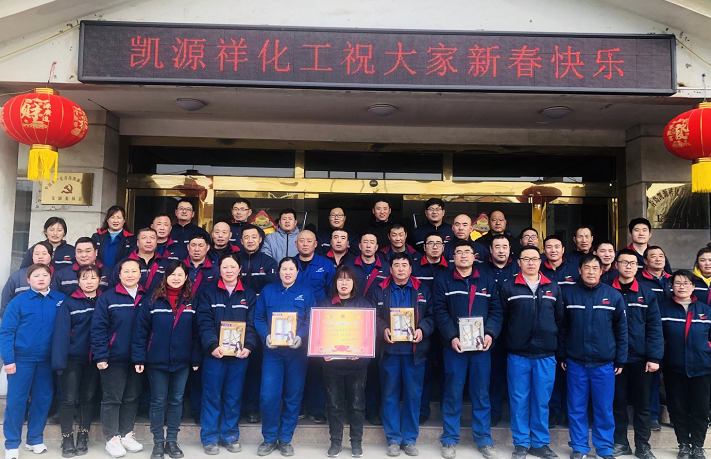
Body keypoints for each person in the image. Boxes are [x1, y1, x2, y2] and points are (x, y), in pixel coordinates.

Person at [434, 239, 503, 459]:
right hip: (455, 347)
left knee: (481, 394)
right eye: (459, 252)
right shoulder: (443, 280)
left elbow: (497, 311)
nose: (463, 255)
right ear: (452, 257)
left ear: (475, 256)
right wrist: (452, 337)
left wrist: (490, 333)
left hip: (481, 348)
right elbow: (440, 312)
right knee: (452, 393)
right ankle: (449, 440)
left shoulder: (487, 280)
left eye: (467, 252)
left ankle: (484, 440)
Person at [559, 254, 627, 459]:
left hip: (604, 363)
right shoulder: (567, 294)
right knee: (576, 407)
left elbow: (621, 330)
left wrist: (620, 359)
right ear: (579, 270)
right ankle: (579, 447)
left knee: (604, 408)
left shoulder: (613, 295)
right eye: (587, 268)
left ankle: (604, 448)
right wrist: (562, 355)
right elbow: (562, 328)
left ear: (601, 271)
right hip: (576, 362)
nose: (591, 272)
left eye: (595, 268)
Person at [499, 245, 563, 459]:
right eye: (526, 259)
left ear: (540, 261)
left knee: (542, 401)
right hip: (518, 355)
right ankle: (521, 443)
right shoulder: (508, 287)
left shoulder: (553, 287)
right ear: (519, 262)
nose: (530, 262)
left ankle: (540, 443)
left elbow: (559, 319)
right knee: (519, 401)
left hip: (545, 355)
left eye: (534, 259)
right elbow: (504, 318)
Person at [132, 260, 201, 459]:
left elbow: (197, 333)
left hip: (182, 361)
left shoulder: (192, 301)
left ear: (186, 277)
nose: (176, 278)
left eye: (180, 275)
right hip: (156, 360)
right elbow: (140, 331)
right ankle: (158, 442)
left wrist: (195, 359)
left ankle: (172, 440)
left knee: (177, 400)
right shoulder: (153, 300)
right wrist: (139, 358)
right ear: (166, 276)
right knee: (158, 401)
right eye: (172, 274)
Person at [370, 252, 435, 457]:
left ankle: (409, 439)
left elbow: (432, 316)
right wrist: (383, 329)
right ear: (390, 269)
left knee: (413, 396)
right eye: (396, 265)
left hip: (414, 353)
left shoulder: (422, 290)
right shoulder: (380, 289)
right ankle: (393, 439)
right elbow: (373, 316)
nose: (400, 269)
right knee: (389, 395)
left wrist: (422, 329)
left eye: (404, 265)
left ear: (410, 268)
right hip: (389, 352)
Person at [1, 263, 66, 459]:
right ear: (28, 280)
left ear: (50, 278)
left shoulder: (61, 300)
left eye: (45, 274)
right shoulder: (18, 302)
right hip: (22, 360)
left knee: (42, 400)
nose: (41, 278)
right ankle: (12, 443)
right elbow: (6, 331)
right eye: (36, 275)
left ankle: (34, 439)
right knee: (16, 401)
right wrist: (8, 360)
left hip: (47, 361)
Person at [196, 253, 258, 455]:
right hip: (214, 355)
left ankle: (230, 435)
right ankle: (209, 438)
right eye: (225, 267)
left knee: (233, 396)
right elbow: (204, 322)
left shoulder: (248, 294)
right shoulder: (208, 293)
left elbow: (252, 323)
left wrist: (249, 345)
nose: (229, 270)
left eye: (233, 267)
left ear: (240, 269)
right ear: (219, 269)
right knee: (211, 396)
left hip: (239, 357)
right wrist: (212, 345)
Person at [254, 258, 315, 457]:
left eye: (291, 269)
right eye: (284, 269)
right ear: (278, 272)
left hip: (296, 353)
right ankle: (269, 438)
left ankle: (286, 439)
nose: (288, 272)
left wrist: (300, 336)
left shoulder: (306, 293)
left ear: (297, 272)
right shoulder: (267, 291)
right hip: (272, 353)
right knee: (268, 396)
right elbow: (258, 317)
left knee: (293, 395)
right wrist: (266, 335)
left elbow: (310, 318)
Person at [607, 249, 662, 459]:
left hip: (641, 358)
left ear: (638, 267)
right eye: (624, 262)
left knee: (643, 405)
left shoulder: (646, 293)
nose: (628, 266)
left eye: (632, 263)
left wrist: (654, 357)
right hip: (615, 359)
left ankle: (643, 446)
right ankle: (621, 443)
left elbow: (654, 327)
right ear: (616, 265)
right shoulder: (607, 290)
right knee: (617, 403)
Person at [91, 259, 146, 458]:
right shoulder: (108, 298)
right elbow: (98, 328)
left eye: (134, 271)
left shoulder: (147, 297)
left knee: (131, 397)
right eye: (126, 271)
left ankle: (126, 434)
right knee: (112, 399)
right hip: (113, 357)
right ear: (119, 274)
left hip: (138, 358)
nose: (130, 275)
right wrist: (101, 355)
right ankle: (112, 438)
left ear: (140, 274)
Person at [318, 266, 373, 458]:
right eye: (340, 279)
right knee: (334, 406)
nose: (344, 283)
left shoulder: (364, 305)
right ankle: (336, 442)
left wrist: (362, 353)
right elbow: (318, 334)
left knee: (357, 406)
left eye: (348, 279)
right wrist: (321, 351)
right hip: (332, 366)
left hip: (357, 366)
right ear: (335, 283)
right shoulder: (325, 305)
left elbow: (369, 335)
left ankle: (356, 442)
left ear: (353, 283)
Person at [659, 270, 711, 459]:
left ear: (693, 286)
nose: (682, 287)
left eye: (686, 283)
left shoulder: (705, 310)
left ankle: (697, 445)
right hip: (674, 367)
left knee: (701, 409)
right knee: (677, 408)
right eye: (678, 283)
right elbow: (657, 335)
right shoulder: (663, 308)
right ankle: (683, 444)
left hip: (702, 368)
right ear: (672, 286)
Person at [52, 264, 103, 457]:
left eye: (93, 278)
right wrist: (59, 363)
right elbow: (60, 335)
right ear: (78, 282)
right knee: (69, 399)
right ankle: (67, 438)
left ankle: (83, 435)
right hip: (72, 360)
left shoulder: (104, 301)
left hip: (95, 360)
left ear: (99, 280)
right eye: (84, 278)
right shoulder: (69, 303)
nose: (89, 282)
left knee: (88, 399)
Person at [345, 231, 390, 426]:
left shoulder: (387, 268)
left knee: (372, 369)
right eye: (365, 242)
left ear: (377, 247)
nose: (369, 245)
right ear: (359, 246)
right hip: (350, 324)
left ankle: (371, 409)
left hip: (376, 324)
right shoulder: (349, 266)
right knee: (350, 366)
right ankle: (350, 409)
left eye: (372, 242)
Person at [236, 226, 278, 424]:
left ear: (261, 240)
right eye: (247, 237)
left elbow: (269, 291)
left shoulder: (269, 262)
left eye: (254, 237)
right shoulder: (234, 260)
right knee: (235, 365)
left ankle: (252, 407)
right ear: (241, 241)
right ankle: (234, 408)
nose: (250, 240)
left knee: (254, 366)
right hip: (234, 318)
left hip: (260, 319)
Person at [478, 234, 520, 427]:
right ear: (490, 250)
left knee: (516, 374)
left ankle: (515, 414)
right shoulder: (480, 270)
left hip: (514, 328)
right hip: (489, 329)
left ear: (510, 249)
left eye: (505, 247)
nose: (501, 250)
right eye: (497, 247)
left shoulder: (518, 268)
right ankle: (494, 413)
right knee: (493, 373)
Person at [294, 230, 335, 423]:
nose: (305, 244)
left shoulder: (326, 265)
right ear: (296, 244)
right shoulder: (289, 264)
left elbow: (332, 294)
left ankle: (317, 408)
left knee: (317, 367)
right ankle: (297, 406)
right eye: (301, 241)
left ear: (316, 244)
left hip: (318, 324)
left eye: (309, 241)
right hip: (293, 326)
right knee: (296, 367)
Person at [412, 232, 448, 424]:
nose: (434, 247)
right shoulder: (414, 268)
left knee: (447, 371)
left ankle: (446, 412)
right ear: (424, 247)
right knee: (423, 372)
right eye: (430, 243)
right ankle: (422, 411)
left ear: (443, 247)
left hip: (447, 329)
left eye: (438, 243)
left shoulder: (451, 269)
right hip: (422, 328)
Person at [1, 241, 53, 317]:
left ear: (52, 256)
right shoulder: (17, 276)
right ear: (32, 256)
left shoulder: (58, 276)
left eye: (44, 254)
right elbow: (6, 303)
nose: (40, 256)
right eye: (37, 254)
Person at [109, 228, 169, 293]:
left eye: (152, 238)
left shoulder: (165, 264)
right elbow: (113, 288)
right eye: (144, 238)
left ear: (156, 241)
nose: (148, 241)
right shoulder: (124, 263)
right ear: (137, 242)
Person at [92, 205, 135, 270]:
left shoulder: (131, 239)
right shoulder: (97, 237)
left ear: (124, 220)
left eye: (119, 218)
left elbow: (130, 258)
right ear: (107, 219)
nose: (115, 221)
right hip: (100, 272)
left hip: (121, 273)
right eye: (112, 217)